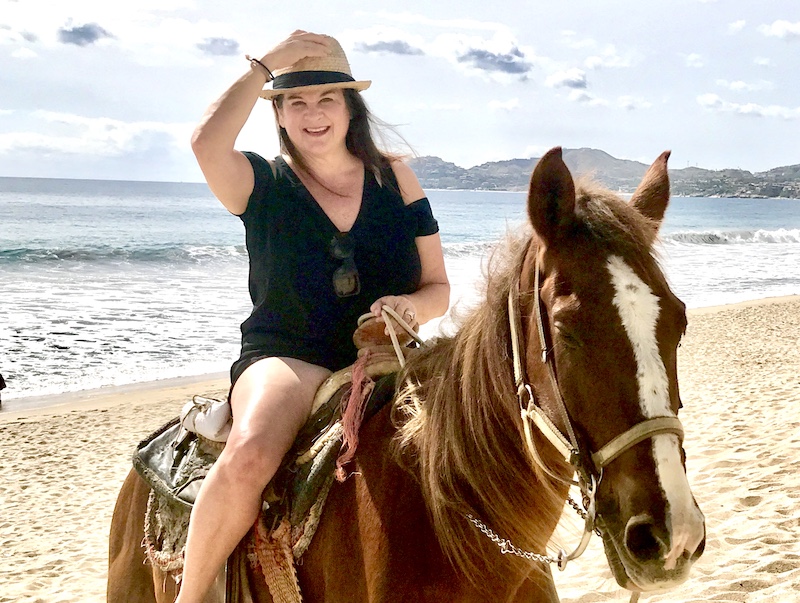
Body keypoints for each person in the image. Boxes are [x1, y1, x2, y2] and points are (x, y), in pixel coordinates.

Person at [179, 31, 450, 602]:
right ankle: (193, 594)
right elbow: (206, 143)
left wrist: (410, 308)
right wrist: (263, 67)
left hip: (388, 354)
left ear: (350, 106)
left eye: (327, 97)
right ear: (277, 114)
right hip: (288, 355)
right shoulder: (260, 183)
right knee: (251, 453)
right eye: (294, 101)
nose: (313, 113)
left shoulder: (396, 178)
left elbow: (438, 288)